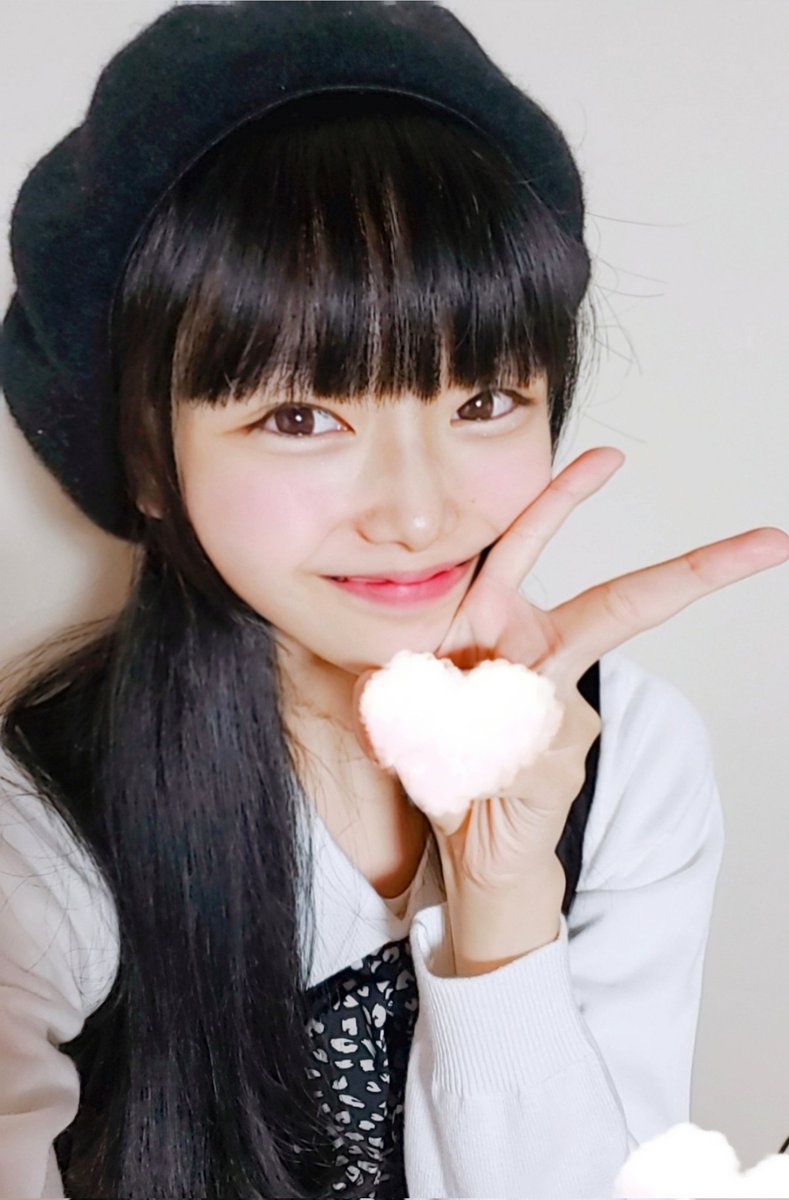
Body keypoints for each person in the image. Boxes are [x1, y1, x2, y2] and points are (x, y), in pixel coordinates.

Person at [0, 3, 787, 1199]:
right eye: (301, 416)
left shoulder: (624, 760)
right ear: (153, 465)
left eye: (483, 403)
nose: (418, 516)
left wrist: (502, 899)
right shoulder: (39, 831)